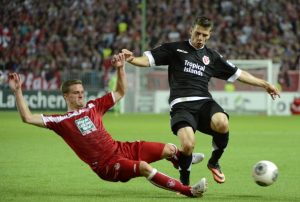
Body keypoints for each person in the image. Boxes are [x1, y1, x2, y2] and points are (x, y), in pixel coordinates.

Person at [8, 53, 208, 198]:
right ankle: (188, 191)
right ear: (66, 96)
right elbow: (27, 117)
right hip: (107, 165)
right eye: (76, 92)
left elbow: (120, 92)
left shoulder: (93, 106)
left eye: (82, 91)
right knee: (145, 168)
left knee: (170, 148)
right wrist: (17, 92)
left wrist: (121, 68)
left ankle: (179, 159)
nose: (81, 94)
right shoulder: (60, 121)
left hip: (120, 148)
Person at [122, 16, 281, 185]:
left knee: (222, 122)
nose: (200, 38)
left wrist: (265, 84)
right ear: (191, 30)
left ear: (209, 35)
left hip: (204, 102)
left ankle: (214, 162)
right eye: (197, 33)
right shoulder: (174, 49)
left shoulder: (212, 56)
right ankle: (184, 184)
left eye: (204, 35)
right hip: (181, 105)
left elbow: (239, 74)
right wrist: (131, 59)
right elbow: (147, 60)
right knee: (188, 145)